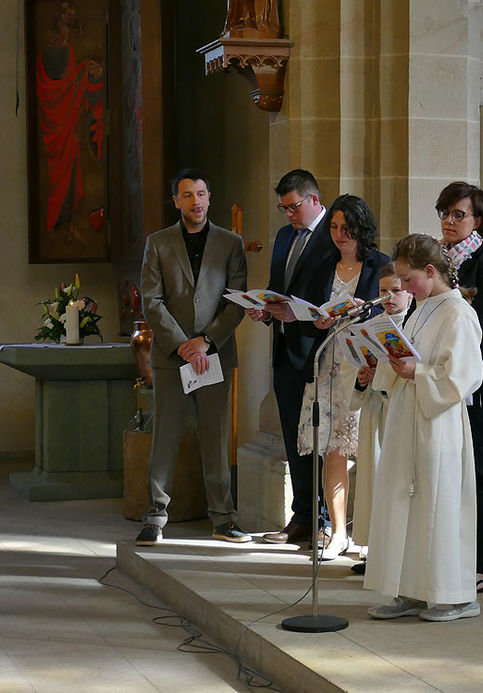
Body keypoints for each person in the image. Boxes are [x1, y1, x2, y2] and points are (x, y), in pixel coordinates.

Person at [365, 234, 483, 623]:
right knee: (405, 502)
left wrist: (419, 371)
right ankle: (412, 590)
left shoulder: (457, 312)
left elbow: (465, 375)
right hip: (407, 415)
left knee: (439, 504)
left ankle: (456, 597)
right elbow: (407, 356)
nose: (400, 287)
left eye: (407, 278)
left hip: (438, 423)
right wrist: (390, 360)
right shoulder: (421, 308)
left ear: (431, 272)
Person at [136, 168, 249, 546]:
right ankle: (155, 516)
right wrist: (183, 343)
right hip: (172, 357)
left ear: (209, 198)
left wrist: (206, 341)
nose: (196, 201)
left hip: (214, 354)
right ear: (176, 201)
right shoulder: (159, 242)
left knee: (216, 438)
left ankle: (223, 518)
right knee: (164, 437)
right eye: (187, 195)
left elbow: (236, 301)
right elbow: (151, 300)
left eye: (201, 194)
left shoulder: (231, 243)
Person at [293, 194, 391, 560]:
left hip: (365, 367)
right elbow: (307, 312)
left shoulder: (380, 265)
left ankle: (373, 533)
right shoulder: (322, 265)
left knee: (369, 452)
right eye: (333, 227)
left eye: (346, 227)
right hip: (327, 366)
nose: (339, 234)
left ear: (362, 227)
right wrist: (318, 320)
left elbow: (394, 309)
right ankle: (337, 533)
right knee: (332, 452)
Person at [248, 169, 336, 547]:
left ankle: (326, 521)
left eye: (293, 207)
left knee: (319, 440)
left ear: (314, 200)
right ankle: (301, 517)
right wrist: (265, 308)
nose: (288, 215)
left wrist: (297, 314)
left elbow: (335, 296)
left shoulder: (335, 236)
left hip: (319, 352)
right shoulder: (284, 236)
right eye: (283, 209)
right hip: (284, 351)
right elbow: (278, 289)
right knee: (292, 439)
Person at [436, 181, 483, 594]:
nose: (448, 221)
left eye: (457, 214)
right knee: (442, 472)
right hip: (437, 381)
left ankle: (481, 565)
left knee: (478, 472)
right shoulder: (435, 264)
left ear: (477, 219)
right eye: (445, 213)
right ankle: (442, 557)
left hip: (479, 383)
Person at [348, 264, 412, 574]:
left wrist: (383, 373)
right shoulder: (373, 324)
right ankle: (373, 551)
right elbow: (363, 374)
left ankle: (395, 553)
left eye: (395, 290)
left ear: (409, 291)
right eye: (383, 291)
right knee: (372, 482)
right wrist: (363, 379)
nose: (388, 297)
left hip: (398, 409)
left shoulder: (413, 325)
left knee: (394, 483)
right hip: (375, 409)